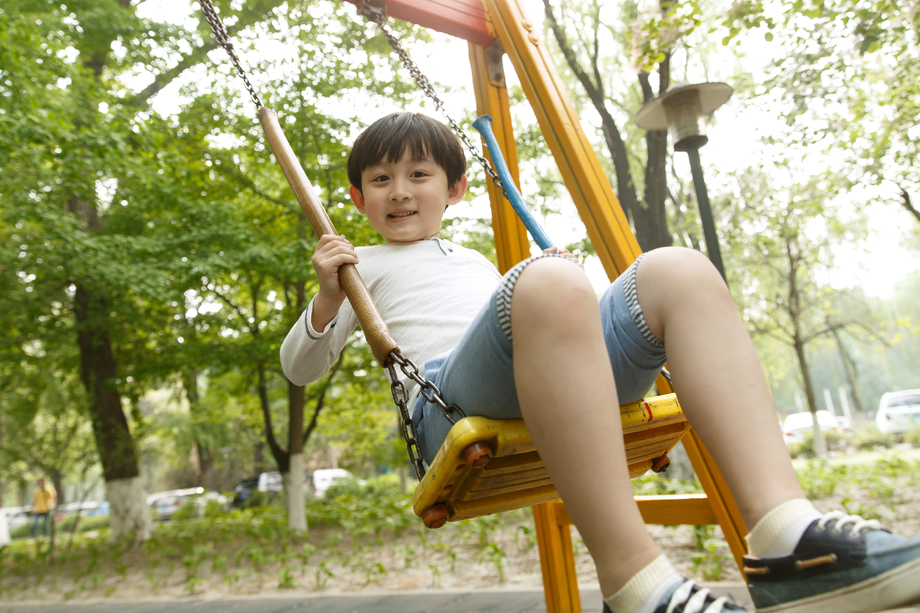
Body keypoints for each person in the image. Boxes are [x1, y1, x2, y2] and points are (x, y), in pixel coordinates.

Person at [280, 112, 920, 613]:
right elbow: (300, 369)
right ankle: (636, 583)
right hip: (448, 402)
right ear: (359, 199)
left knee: (677, 270)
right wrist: (328, 295)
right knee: (550, 280)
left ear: (456, 189)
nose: (399, 192)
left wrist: (546, 297)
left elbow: (532, 324)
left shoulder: (472, 262)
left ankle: (785, 536)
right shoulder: (355, 269)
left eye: (418, 174)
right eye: (380, 180)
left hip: (532, 378)